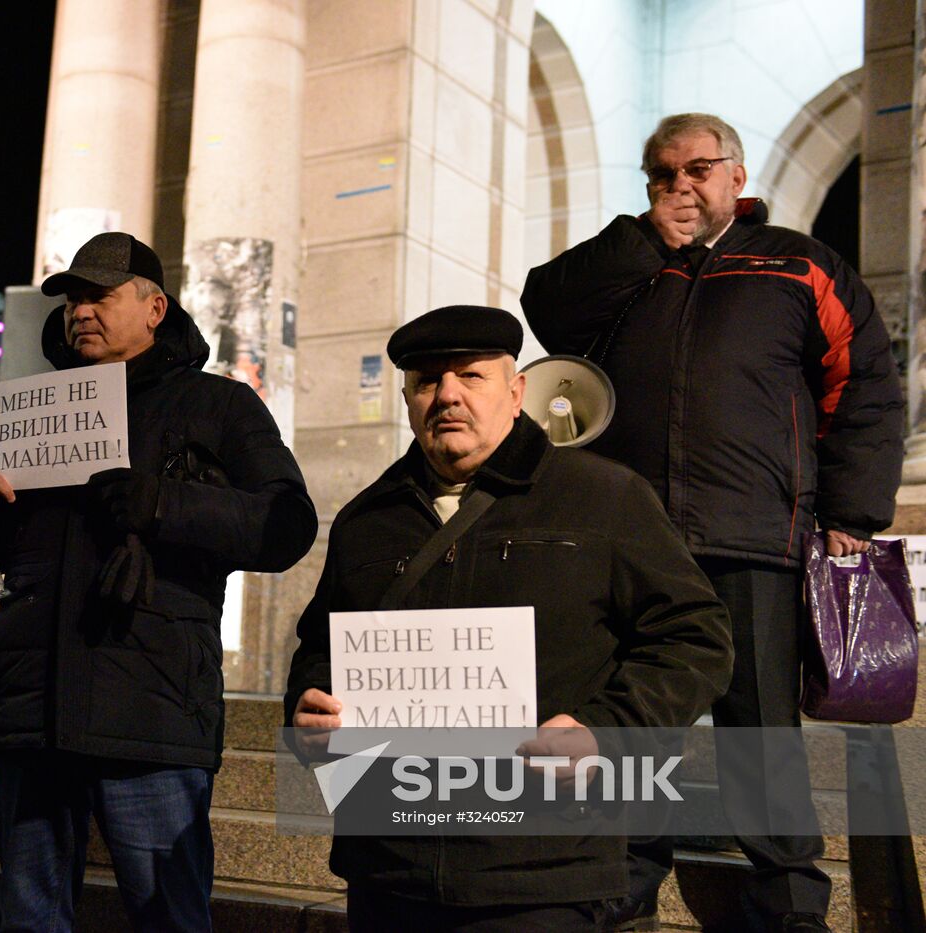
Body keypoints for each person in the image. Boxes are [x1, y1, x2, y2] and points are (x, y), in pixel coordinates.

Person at [521, 113, 905, 932]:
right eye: (661, 174)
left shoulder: (800, 264)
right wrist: (642, 240)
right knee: (634, 720)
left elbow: (865, 384)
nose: (679, 186)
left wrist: (852, 515)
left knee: (759, 728)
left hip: (751, 537)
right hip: (633, 546)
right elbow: (545, 307)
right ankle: (621, 887)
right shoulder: (632, 267)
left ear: (736, 173)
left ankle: (790, 898)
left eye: (696, 169)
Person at [284, 305, 733, 931]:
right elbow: (320, 647)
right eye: (426, 381)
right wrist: (306, 713)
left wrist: (605, 731)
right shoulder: (367, 519)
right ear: (407, 399)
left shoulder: (604, 496)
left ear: (516, 390)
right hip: (389, 866)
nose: (446, 396)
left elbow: (696, 637)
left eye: (470, 376)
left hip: (542, 870)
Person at [0, 232, 316, 932]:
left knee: (168, 917)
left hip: (151, 713)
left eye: (99, 296)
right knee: (30, 919)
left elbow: (287, 523)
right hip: (33, 712)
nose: (80, 311)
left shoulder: (217, 405)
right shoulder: (33, 409)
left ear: (155, 307)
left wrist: (164, 505)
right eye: (72, 299)